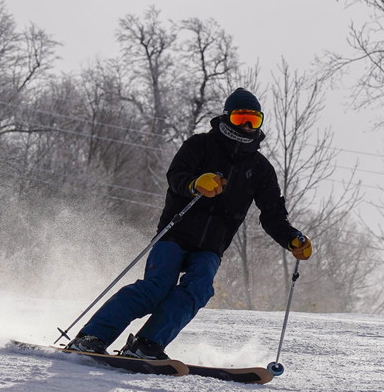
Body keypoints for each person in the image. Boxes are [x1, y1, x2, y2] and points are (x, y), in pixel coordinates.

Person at [66, 88, 313, 359]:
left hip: (211, 246)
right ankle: (92, 336)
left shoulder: (261, 168)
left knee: (199, 289)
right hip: (175, 233)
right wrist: (195, 183)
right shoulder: (200, 145)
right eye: (241, 118)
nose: (246, 126)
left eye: (253, 120)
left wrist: (291, 238)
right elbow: (176, 176)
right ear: (227, 117)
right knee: (157, 287)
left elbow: (273, 214)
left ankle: (147, 344)